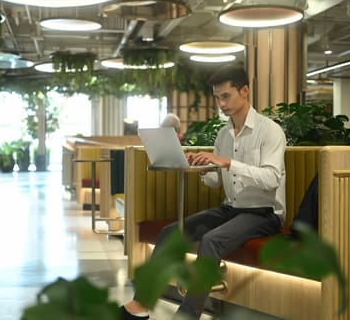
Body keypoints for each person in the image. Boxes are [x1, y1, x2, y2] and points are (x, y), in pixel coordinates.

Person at [121, 64, 287, 320]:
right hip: (231, 208)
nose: (221, 104)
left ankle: (188, 315)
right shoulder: (224, 135)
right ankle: (141, 304)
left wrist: (227, 162)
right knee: (171, 232)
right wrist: (202, 167)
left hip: (264, 213)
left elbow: (272, 179)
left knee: (211, 240)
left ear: (245, 91)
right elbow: (214, 182)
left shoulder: (270, 131)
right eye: (217, 98)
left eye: (226, 96)